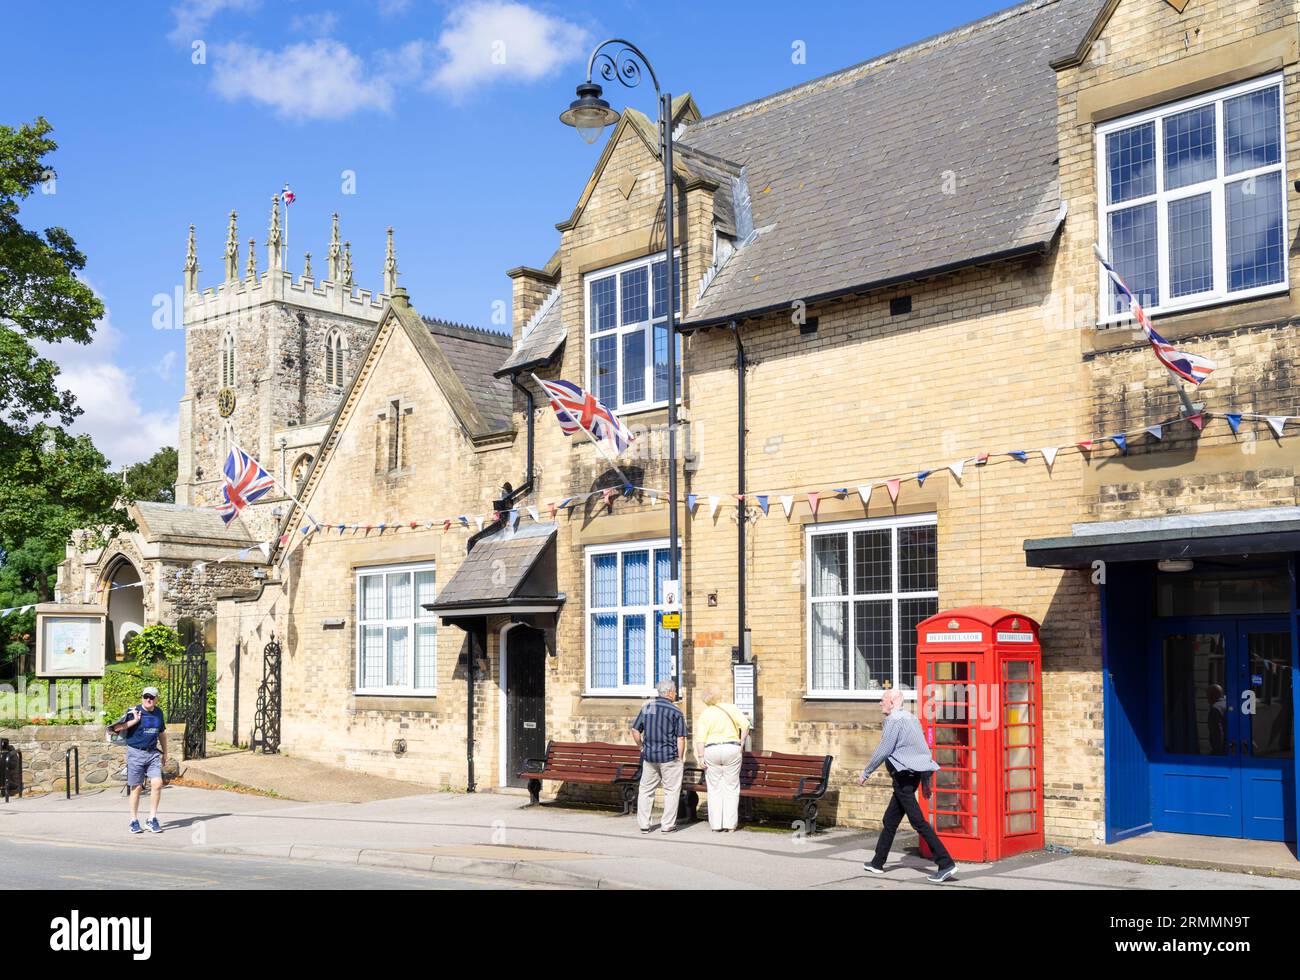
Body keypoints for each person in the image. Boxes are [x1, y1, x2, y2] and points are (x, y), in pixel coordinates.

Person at [858, 688, 956, 884]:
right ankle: (877, 862)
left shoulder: (893, 721)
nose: (880, 703)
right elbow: (923, 752)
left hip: (903, 778)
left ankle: (945, 863)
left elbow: (883, 749)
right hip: (911, 777)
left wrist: (866, 772)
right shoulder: (912, 719)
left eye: (882, 700)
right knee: (890, 819)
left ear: (893, 702)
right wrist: (926, 781)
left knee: (918, 822)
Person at [631, 679, 688, 834]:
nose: (676, 693)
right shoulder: (676, 711)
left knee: (646, 790)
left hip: (650, 757)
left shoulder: (649, 707)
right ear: (669, 692)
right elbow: (681, 737)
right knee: (671, 791)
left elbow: (635, 730)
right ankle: (667, 825)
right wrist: (680, 757)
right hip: (669, 757)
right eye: (675, 690)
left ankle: (644, 824)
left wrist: (641, 746)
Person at [695, 691, 749, 832]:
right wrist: (741, 742)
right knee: (731, 787)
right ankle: (730, 825)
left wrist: (701, 757)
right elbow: (745, 725)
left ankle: (716, 825)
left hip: (712, 750)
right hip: (731, 748)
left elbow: (700, 738)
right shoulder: (731, 708)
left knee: (714, 788)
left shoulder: (705, 714)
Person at [122, 686, 168, 834]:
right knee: (136, 787)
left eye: (152, 697)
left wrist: (165, 752)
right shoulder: (133, 711)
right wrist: (134, 720)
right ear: (142, 697)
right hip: (135, 753)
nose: (148, 699)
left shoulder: (159, 713)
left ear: (156, 699)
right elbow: (117, 728)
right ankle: (134, 821)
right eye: (146, 696)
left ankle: (151, 819)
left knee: (158, 783)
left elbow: (162, 733)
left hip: (152, 753)